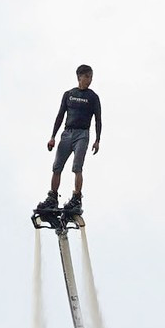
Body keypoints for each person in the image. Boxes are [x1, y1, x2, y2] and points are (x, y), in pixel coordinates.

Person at [35, 64, 102, 217]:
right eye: (87, 77)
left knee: (77, 166)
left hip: (82, 135)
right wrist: (52, 137)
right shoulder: (69, 94)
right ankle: (52, 197)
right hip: (67, 133)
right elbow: (60, 115)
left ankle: (76, 198)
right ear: (79, 77)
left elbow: (98, 119)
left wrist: (97, 139)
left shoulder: (93, 97)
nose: (90, 80)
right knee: (57, 166)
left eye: (91, 77)